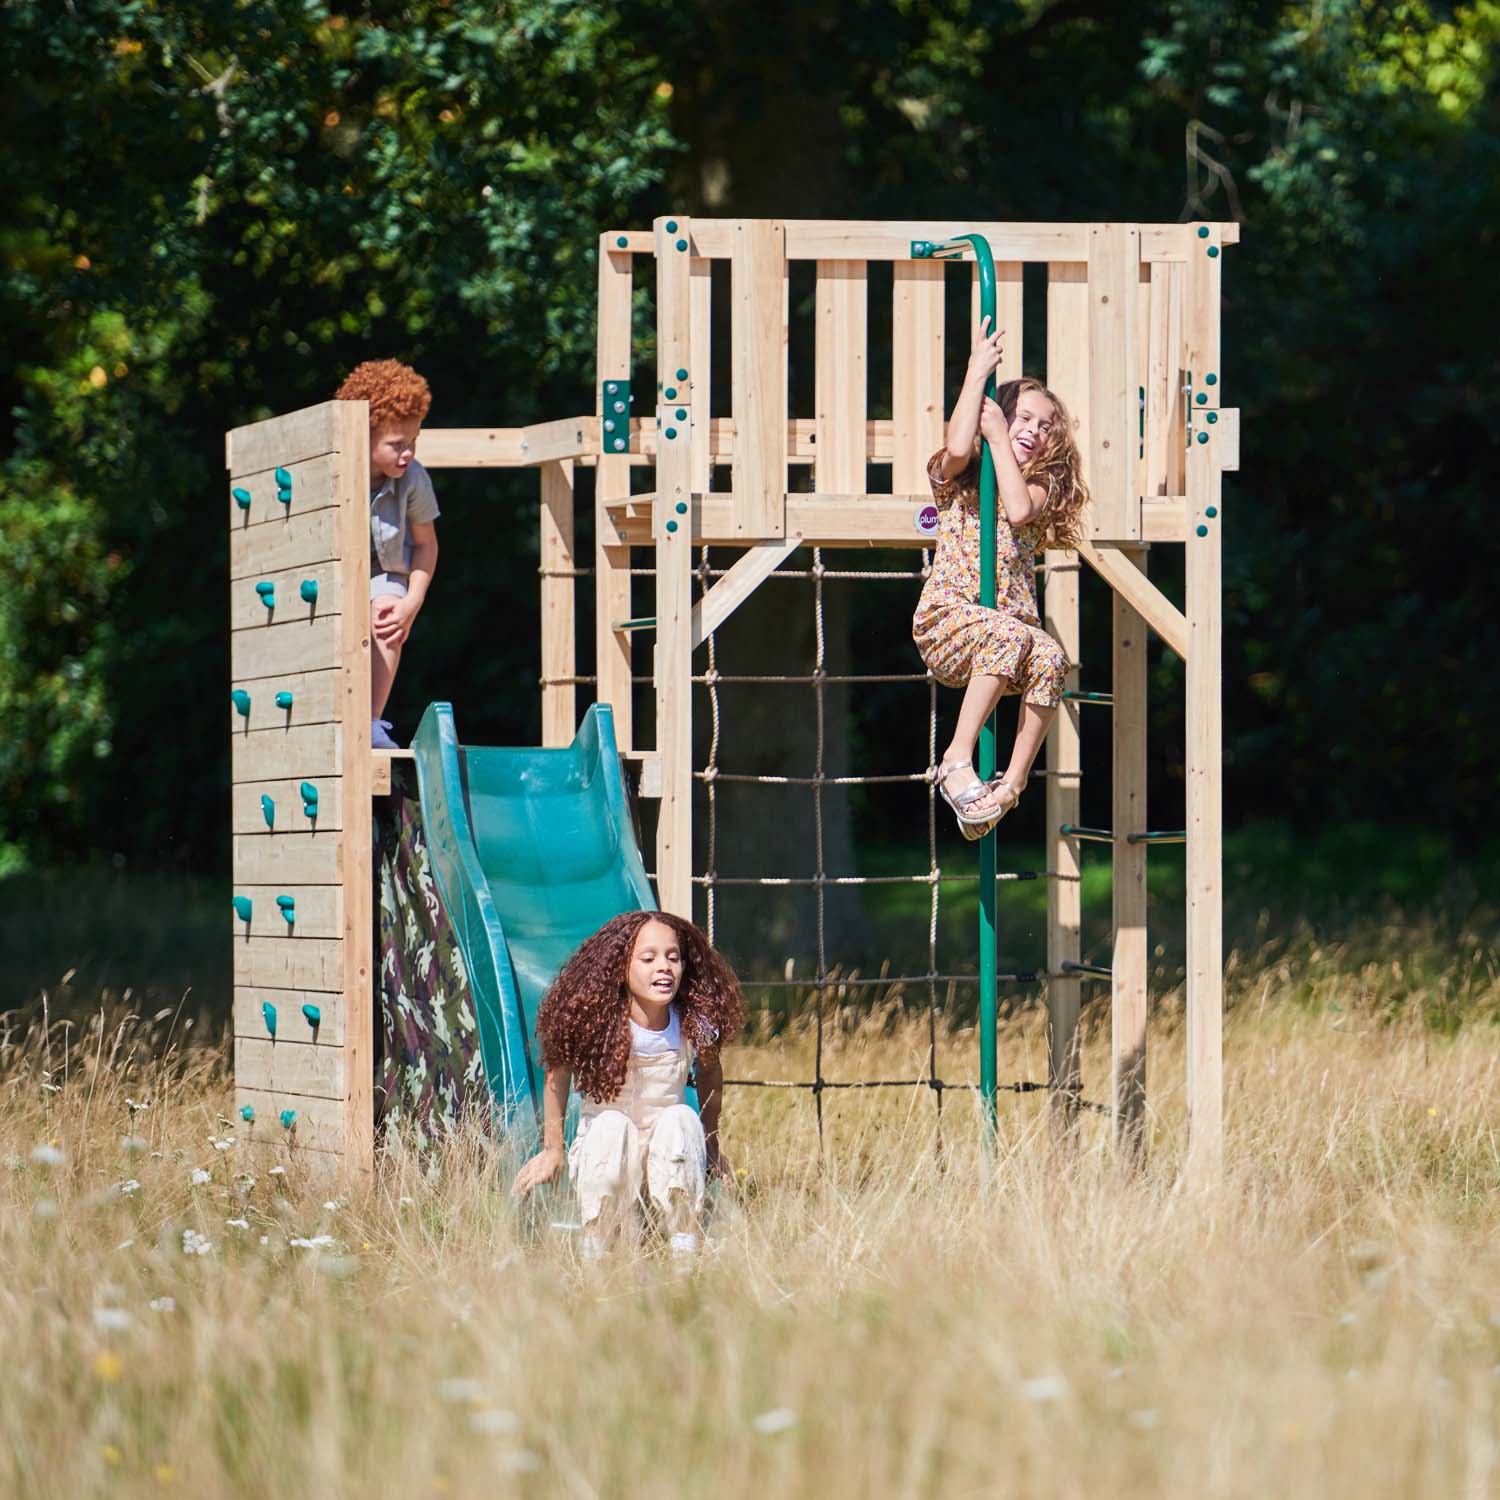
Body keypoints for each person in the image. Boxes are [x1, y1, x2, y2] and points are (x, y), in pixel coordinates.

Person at [912, 320, 1089, 838]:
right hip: (950, 622)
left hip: (1005, 640)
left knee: (1054, 657)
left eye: (1045, 426)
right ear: (999, 414)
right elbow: (961, 445)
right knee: (1008, 632)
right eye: (1024, 418)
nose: (1034, 430)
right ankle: (956, 762)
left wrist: (1000, 437)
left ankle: (1007, 788)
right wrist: (976, 374)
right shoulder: (958, 481)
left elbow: (1016, 508)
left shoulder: (1044, 485)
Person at [511, 911, 746, 1259]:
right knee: (610, 1125)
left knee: (681, 1117)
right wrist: (553, 1148)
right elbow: (557, 1073)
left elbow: (711, 1073)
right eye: (648, 959)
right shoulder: (599, 1023)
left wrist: (710, 1145)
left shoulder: (691, 1024)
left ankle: (684, 1243)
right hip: (607, 1153)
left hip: (664, 1153)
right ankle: (597, 1247)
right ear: (621, 967)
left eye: (673, 957)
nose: (663, 967)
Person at [333, 358, 439, 750]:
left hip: (385, 572)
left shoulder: (413, 479)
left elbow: (426, 544)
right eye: (397, 445)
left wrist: (412, 600)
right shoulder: (339, 469)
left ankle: (372, 721)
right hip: (337, 570)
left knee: (388, 613)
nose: (408, 453)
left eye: (414, 442)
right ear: (365, 434)